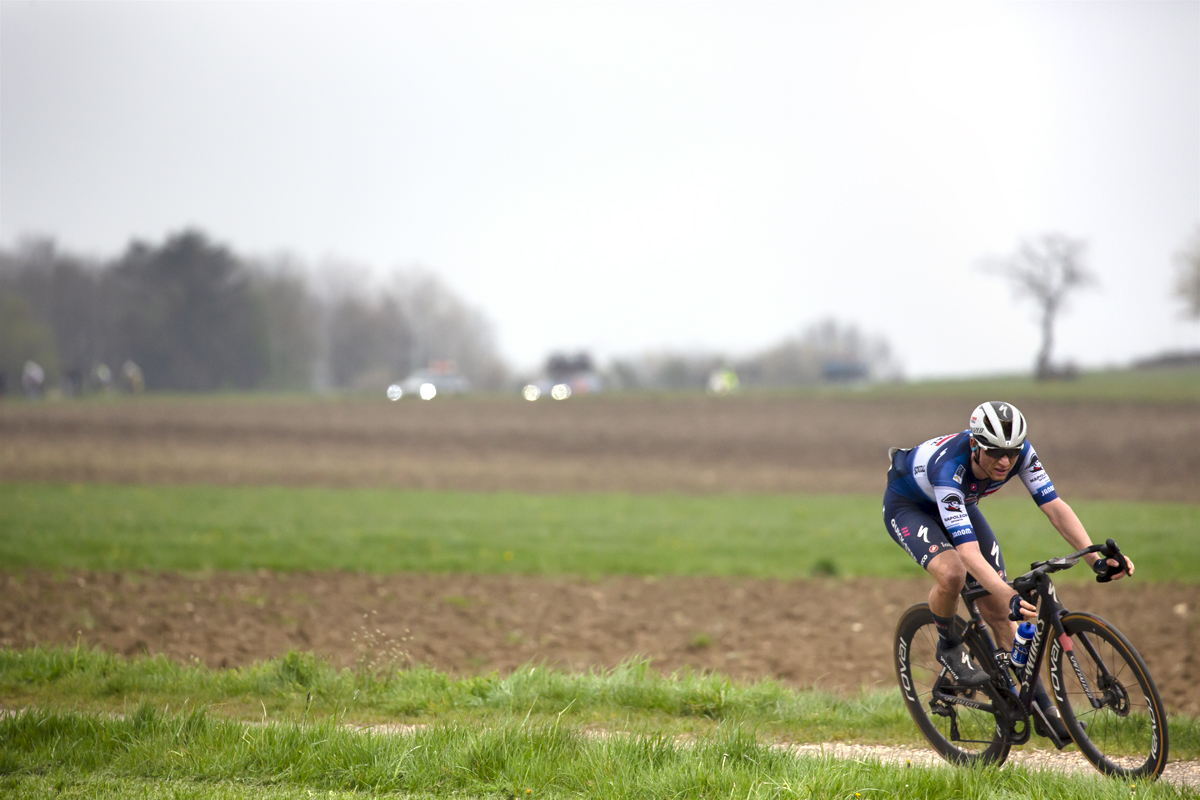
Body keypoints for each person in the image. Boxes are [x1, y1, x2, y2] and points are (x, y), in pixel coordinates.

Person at [883, 400, 1134, 745]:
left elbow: (1055, 508)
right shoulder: (950, 468)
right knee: (954, 573)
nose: (1005, 461)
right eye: (996, 452)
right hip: (909, 506)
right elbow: (968, 555)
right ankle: (948, 644)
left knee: (1001, 614)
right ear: (975, 445)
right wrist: (1009, 595)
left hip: (959, 504)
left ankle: (1044, 712)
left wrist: (1096, 560)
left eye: (1012, 453)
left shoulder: (1021, 454)